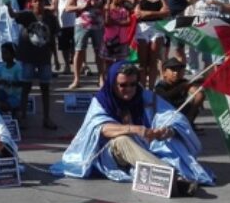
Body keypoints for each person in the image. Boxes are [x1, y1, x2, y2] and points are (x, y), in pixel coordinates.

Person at [51, 61, 214, 195]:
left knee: (172, 139)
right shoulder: (101, 101)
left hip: (146, 146)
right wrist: (135, 129)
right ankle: (171, 176)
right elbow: (100, 128)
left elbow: (171, 116)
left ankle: (166, 176)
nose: (128, 89)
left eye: (132, 84)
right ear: (113, 84)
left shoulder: (146, 97)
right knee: (122, 140)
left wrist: (166, 131)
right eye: (123, 85)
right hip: (108, 153)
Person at [11, 0, 57, 129]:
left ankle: (46, 118)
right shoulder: (27, 15)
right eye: (35, 0)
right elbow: (13, 15)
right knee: (26, 87)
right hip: (28, 57)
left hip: (44, 58)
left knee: (45, 88)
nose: (39, 3)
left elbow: (52, 38)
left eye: (41, 0)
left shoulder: (50, 18)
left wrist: (56, 58)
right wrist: (8, 6)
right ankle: (23, 117)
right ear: (31, 3)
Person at [66, 0, 105, 90]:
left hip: (98, 24)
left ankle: (101, 78)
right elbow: (68, 8)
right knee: (79, 50)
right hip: (82, 24)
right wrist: (82, 7)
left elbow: (108, 4)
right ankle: (76, 79)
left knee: (99, 52)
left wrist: (100, 5)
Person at [134, 0, 171, 88]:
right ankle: (142, 87)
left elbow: (166, 12)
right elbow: (139, 14)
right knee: (143, 61)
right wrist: (158, 13)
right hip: (142, 29)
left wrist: (149, 13)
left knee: (153, 60)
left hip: (157, 28)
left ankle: (151, 88)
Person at [154, 57, 204, 128]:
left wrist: (198, 86)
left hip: (182, 111)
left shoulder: (182, 82)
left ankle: (188, 122)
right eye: (173, 70)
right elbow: (165, 97)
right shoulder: (160, 86)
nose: (176, 73)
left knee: (196, 96)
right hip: (167, 114)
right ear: (164, 72)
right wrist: (180, 87)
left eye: (178, 70)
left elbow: (198, 94)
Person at [100, 0, 133, 76]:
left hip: (122, 40)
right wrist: (107, 14)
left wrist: (115, 22)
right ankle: (107, 79)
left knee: (121, 64)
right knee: (108, 63)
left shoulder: (125, 8)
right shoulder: (107, 8)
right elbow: (107, 23)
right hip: (109, 40)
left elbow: (128, 22)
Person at [51, 0, 77, 74]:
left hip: (75, 19)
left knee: (76, 45)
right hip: (62, 20)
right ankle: (66, 65)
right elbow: (55, 3)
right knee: (64, 45)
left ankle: (77, 65)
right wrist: (55, 15)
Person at [0, 42, 24, 116]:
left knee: (2, 106)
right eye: (2, 53)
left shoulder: (18, 68)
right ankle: (1, 108)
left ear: (13, 55)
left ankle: (13, 110)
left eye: (5, 53)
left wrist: (7, 82)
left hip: (15, 96)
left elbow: (22, 83)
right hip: (3, 94)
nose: (3, 56)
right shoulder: (1, 67)